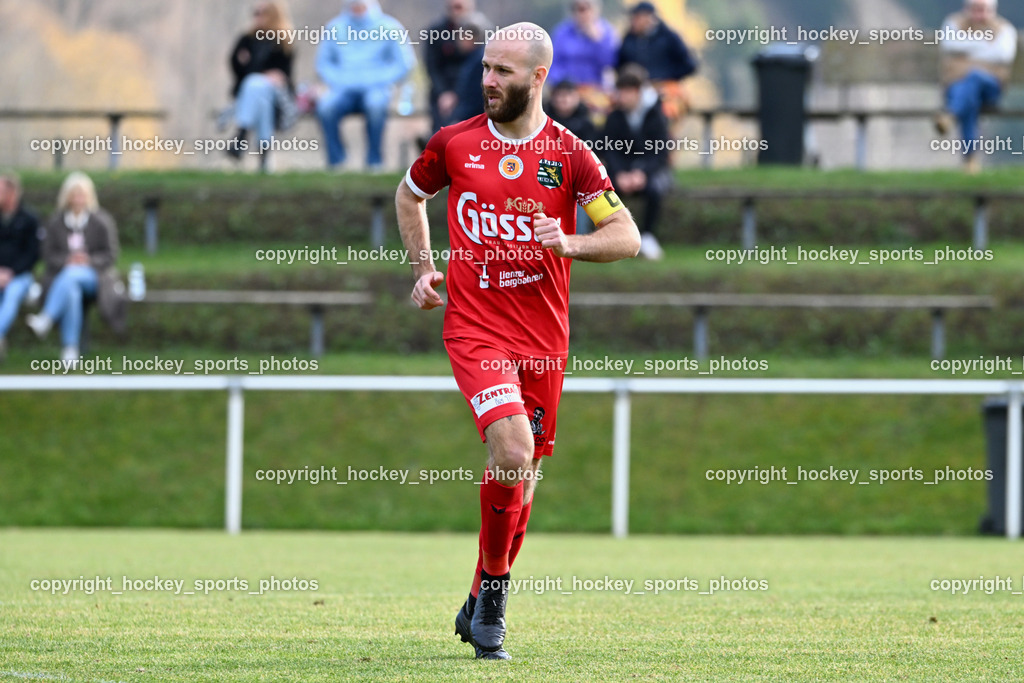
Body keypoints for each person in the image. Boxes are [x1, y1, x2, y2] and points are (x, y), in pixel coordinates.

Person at [396, 22, 640, 660]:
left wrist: (569, 242)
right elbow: (409, 194)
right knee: (512, 444)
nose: (487, 80)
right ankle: (496, 604)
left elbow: (626, 237)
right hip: (475, 326)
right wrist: (423, 267)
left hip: (543, 336)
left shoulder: (571, 155)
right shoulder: (453, 143)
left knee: (523, 471)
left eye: (503, 71)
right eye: (485, 67)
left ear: (538, 77)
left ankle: (478, 596)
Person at [27, 173, 125, 367]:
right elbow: (47, 253)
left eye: (82, 194)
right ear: (67, 196)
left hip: (95, 277)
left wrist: (87, 260)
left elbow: (111, 254)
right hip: (63, 277)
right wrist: (67, 260)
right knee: (71, 291)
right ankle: (70, 349)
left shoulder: (101, 221)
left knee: (72, 276)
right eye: (74, 194)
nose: (78, 199)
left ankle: (46, 317)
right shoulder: (56, 222)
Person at [316, 0, 416, 170]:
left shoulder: (390, 27)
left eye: (361, 6)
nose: (357, 10)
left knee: (375, 105)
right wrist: (340, 80)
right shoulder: (335, 27)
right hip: (343, 89)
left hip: (377, 88)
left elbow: (405, 63)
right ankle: (336, 162)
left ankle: (374, 162)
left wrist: (379, 79)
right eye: (354, 6)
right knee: (326, 106)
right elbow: (323, 64)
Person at [936, 0, 1018, 173]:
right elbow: (950, 44)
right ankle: (970, 163)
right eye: (975, 9)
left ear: (993, 10)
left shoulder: (1004, 28)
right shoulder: (953, 23)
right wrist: (984, 45)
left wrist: (967, 49)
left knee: (973, 77)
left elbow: (1003, 54)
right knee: (969, 98)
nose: (979, 14)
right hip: (958, 88)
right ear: (966, 8)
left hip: (990, 88)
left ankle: (951, 114)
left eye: (984, 9)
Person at [601, 65, 672, 260]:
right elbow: (610, 149)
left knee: (655, 190)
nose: (622, 97)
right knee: (605, 192)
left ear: (638, 91)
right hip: (622, 172)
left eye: (626, 92)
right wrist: (620, 173)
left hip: (651, 171)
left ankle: (648, 236)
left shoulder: (657, 115)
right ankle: (614, 238)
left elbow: (660, 151)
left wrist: (642, 173)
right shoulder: (615, 116)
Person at [227, 1, 297, 172]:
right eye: (255, 13)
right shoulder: (246, 39)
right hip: (252, 95)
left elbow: (283, 75)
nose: (256, 17)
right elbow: (237, 69)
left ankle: (241, 135)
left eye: (261, 13)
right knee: (259, 95)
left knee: (257, 85)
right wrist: (261, 72)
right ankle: (264, 160)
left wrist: (257, 70)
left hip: (277, 97)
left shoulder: (282, 41)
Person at [617, 1, 697, 119]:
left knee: (665, 112)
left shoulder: (668, 37)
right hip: (637, 89)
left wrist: (667, 77)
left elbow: (689, 65)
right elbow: (620, 66)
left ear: (649, 17)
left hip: (665, 89)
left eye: (637, 17)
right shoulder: (629, 39)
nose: (633, 21)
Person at [424, 0, 481, 131]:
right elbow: (432, 66)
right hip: (443, 89)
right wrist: (443, 92)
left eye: (459, 7)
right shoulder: (436, 31)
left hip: (474, 89)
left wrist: (459, 93)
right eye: (452, 7)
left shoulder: (481, 30)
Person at [0, 172, 40, 361]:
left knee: (12, 294)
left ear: (11, 192)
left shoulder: (29, 219)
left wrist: (11, 272)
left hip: (20, 276)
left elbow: (33, 254)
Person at [548, 0, 618, 90]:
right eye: (578, 9)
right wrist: (563, 81)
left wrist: (598, 41)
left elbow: (610, 63)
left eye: (586, 8)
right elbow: (553, 63)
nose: (583, 14)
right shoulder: (562, 32)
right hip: (568, 88)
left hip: (595, 88)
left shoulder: (606, 32)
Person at [449, 14, 489, 123]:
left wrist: (459, 120)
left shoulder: (480, 62)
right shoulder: (471, 59)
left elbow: (475, 98)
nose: (458, 41)